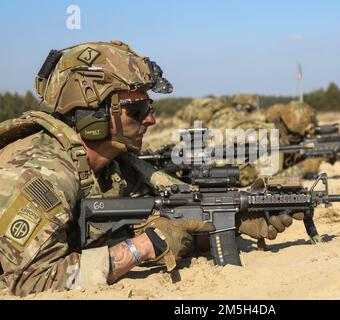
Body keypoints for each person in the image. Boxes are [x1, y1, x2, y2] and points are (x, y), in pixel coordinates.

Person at [0, 41, 295, 296]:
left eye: (149, 108)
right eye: (137, 111)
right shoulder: (39, 174)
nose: (150, 120)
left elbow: (166, 223)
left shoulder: (115, 166)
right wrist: (145, 246)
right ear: (94, 115)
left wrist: (230, 221)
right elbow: (31, 282)